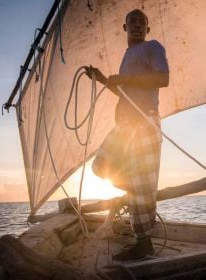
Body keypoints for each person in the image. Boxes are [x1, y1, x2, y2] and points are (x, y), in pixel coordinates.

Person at [86, 9, 169, 261]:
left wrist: (124, 78)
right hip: (124, 125)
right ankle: (138, 191)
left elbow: (163, 79)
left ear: (147, 29)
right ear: (124, 27)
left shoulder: (152, 47)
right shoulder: (127, 55)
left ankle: (143, 243)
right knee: (101, 167)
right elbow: (126, 94)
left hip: (145, 121)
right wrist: (102, 79)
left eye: (142, 22)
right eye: (132, 21)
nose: (136, 25)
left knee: (141, 184)